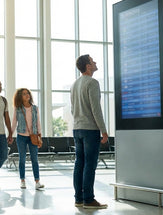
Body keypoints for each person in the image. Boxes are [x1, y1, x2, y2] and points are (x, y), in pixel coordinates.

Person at [70, 54, 108, 209]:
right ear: (87, 66)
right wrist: (104, 131)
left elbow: (73, 109)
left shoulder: (74, 84)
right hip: (90, 130)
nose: (95, 62)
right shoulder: (92, 83)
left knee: (79, 164)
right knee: (90, 165)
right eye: (93, 61)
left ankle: (78, 199)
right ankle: (89, 200)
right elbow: (96, 109)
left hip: (77, 128)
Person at [11, 88, 45, 190]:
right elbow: (14, 123)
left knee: (35, 159)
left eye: (28, 93)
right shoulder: (17, 108)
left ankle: (37, 181)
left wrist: (40, 135)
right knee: (22, 159)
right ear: (20, 97)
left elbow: (38, 122)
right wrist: (10, 135)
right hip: (21, 136)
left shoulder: (35, 108)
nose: (27, 95)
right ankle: (22, 181)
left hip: (33, 136)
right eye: (24, 94)